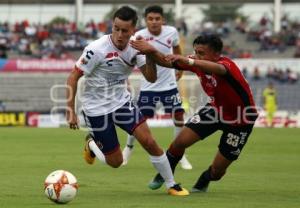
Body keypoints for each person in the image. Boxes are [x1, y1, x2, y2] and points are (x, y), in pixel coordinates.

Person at [66, 6, 188, 196]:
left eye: (125, 30)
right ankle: (91, 143)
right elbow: (73, 76)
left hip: (121, 103)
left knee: (148, 141)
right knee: (116, 162)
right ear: (112, 26)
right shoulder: (96, 49)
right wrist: (70, 110)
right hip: (96, 109)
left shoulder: (136, 46)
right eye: (116, 28)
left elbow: (151, 78)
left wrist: (149, 53)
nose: (119, 34)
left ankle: (171, 184)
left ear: (133, 30)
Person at [130, 33, 258, 192]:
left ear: (216, 54)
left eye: (202, 53)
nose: (197, 55)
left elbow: (218, 69)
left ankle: (205, 178)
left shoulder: (226, 65)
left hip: (241, 119)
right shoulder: (196, 62)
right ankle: (166, 173)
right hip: (215, 111)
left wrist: (190, 61)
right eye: (196, 52)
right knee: (179, 142)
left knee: (218, 172)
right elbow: (165, 61)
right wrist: (150, 50)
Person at [122, 5, 192, 170]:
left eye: (157, 19)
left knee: (179, 119)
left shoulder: (172, 32)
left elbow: (176, 48)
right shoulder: (139, 36)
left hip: (169, 85)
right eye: (150, 19)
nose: (154, 22)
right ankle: (128, 149)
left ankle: (180, 155)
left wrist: (179, 67)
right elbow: (131, 58)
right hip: (149, 87)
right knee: (137, 121)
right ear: (146, 20)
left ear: (163, 20)